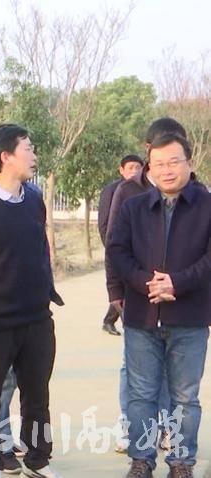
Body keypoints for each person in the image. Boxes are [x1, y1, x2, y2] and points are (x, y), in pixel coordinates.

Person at [108, 132, 211, 478]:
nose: (167, 170)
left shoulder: (207, 206)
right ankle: (141, 460)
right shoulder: (134, 207)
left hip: (190, 317)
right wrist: (145, 282)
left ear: (189, 163)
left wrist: (177, 283)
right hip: (142, 316)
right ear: (149, 168)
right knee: (141, 395)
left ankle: (181, 462)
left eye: (174, 162)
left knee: (185, 397)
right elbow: (117, 251)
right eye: (159, 164)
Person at [0, 124, 63, 478]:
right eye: (28, 148)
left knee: (37, 394)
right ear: (5, 156)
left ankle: (38, 459)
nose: (34, 155)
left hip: (36, 316)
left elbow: (40, 249)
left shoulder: (34, 199)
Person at [105, 119, 188, 454]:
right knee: (135, 369)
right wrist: (116, 293)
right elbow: (113, 243)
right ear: (149, 150)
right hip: (137, 296)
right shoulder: (129, 191)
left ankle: (167, 428)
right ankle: (131, 427)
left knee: (173, 370)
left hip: (181, 299)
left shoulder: (194, 192)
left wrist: (179, 284)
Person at [98, 154, 144, 336]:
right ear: (121, 170)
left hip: (138, 254)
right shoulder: (113, 190)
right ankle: (117, 323)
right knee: (121, 290)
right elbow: (104, 223)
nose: (134, 171)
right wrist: (112, 249)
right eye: (130, 167)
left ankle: (113, 321)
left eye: (138, 167)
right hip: (118, 250)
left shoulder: (144, 189)